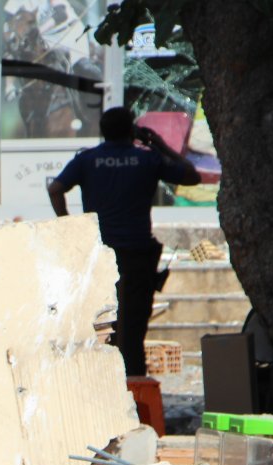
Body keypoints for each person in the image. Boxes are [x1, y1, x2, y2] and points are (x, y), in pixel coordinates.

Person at [48, 106, 201, 378]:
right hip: (137, 255)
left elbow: (55, 188)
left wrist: (70, 227)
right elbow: (191, 175)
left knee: (102, 323)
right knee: (133, 328)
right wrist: (160, 145)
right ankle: (133, 384)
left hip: (100, 255)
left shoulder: (88, 160)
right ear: (132, 130)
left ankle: (102, 383)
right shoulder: (147, 159)